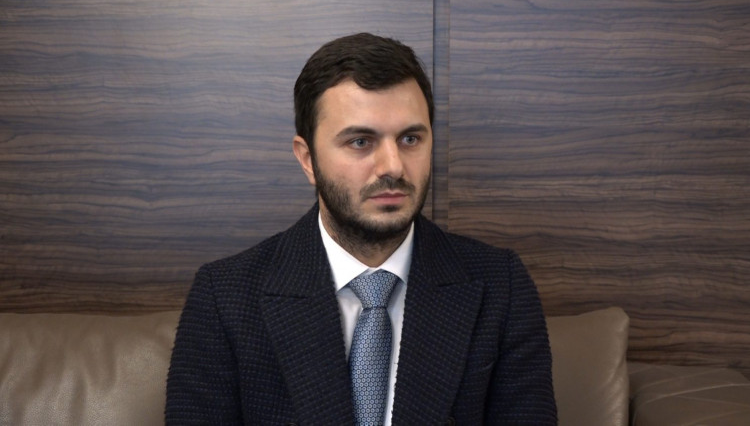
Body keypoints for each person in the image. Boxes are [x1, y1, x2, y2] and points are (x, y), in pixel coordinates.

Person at [165, 32, 557, 425]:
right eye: (360, 142)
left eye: (410, 139)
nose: (393, 166)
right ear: (308, 159)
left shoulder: (500, 287)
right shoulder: (225, 297)